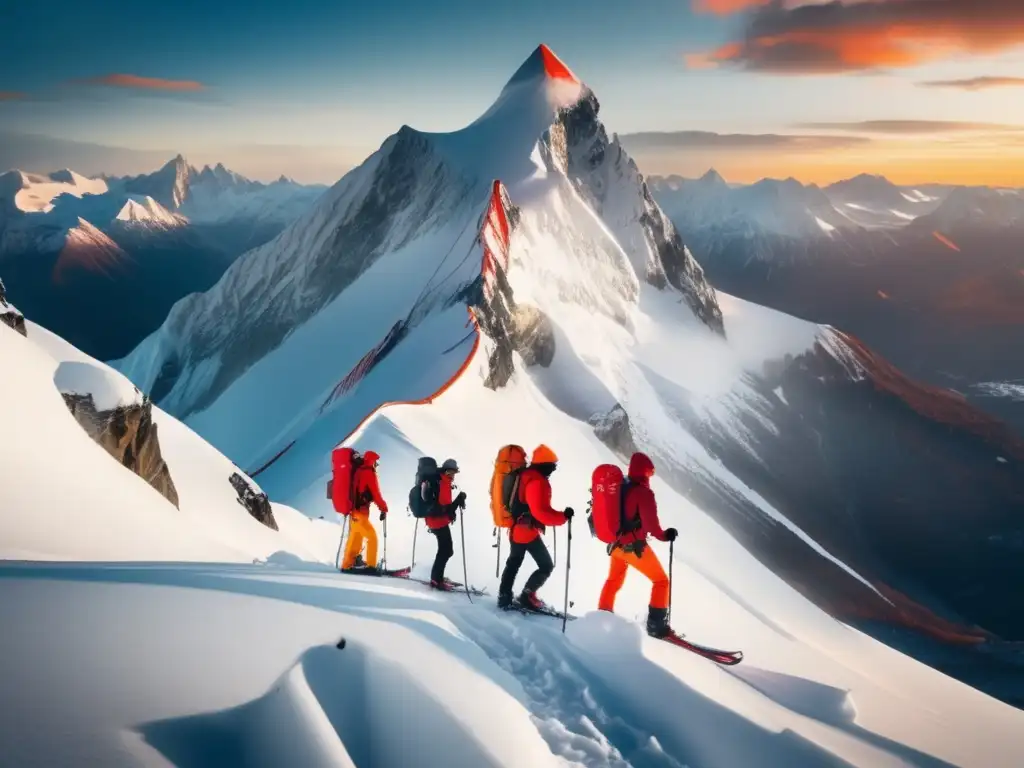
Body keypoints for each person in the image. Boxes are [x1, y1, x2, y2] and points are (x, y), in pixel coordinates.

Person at [597, 452, 679, 638]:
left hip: (615, 545)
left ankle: (602, 614)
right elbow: (653, 527)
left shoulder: (622, 485)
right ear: (646, 473)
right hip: (633, 547)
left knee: (613, 580)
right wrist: (667, 535)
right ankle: (655, 626)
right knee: (661, 581)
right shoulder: (644, 493)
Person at [498, 444, 573, 611]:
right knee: (545, 565)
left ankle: (505, 596)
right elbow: (540, 512)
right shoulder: (536, 481)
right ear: (545, 464)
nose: (553, 469)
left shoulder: (527, 476)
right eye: (552, 465)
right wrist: (563, 517)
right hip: (526, 531)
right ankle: (526, 595)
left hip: (518, 529)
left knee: (514, 563)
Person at [341, 450, 389, 570]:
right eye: (376, 463)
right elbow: (376, 493)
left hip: (354, 513)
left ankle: (347, 565)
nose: (377, 466)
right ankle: (371, 566)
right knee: (372, 538)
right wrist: (383, 508)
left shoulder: (358, 470)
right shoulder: (369, 473)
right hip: (360, 514)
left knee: (355, 539)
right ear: (372, 461)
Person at [425, 458, 467, 589]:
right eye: (451, 472)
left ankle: (437, 576)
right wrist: (458, 501)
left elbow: (444, 507)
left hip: (435, 520)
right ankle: (436, 579)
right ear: (446, 471)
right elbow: (443, 509)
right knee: (446, 550)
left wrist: (455, 503)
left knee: (445, 549)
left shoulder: (442, 481)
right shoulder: (443, 483)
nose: (453, 475)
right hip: (438, 522)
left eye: (454, 473)